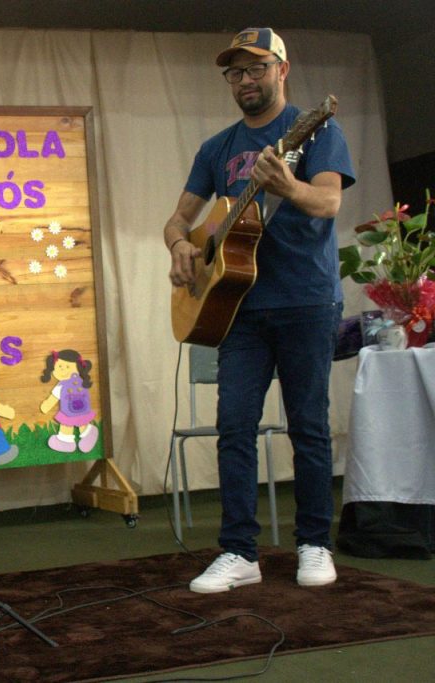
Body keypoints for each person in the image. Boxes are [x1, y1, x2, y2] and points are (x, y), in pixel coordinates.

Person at [164, 28, 355, 593]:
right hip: (238, 307)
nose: (245, 80)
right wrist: (180, 246)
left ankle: (314, 544)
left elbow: (328, 202)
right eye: (235, 72)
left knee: (310, 426)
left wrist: (288, 186)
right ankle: (239, 552)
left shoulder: (316, 129)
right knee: (234, 427)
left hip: (305, 299)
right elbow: (179, 220)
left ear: (281, 70)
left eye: (256, 69)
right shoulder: (216, 149)